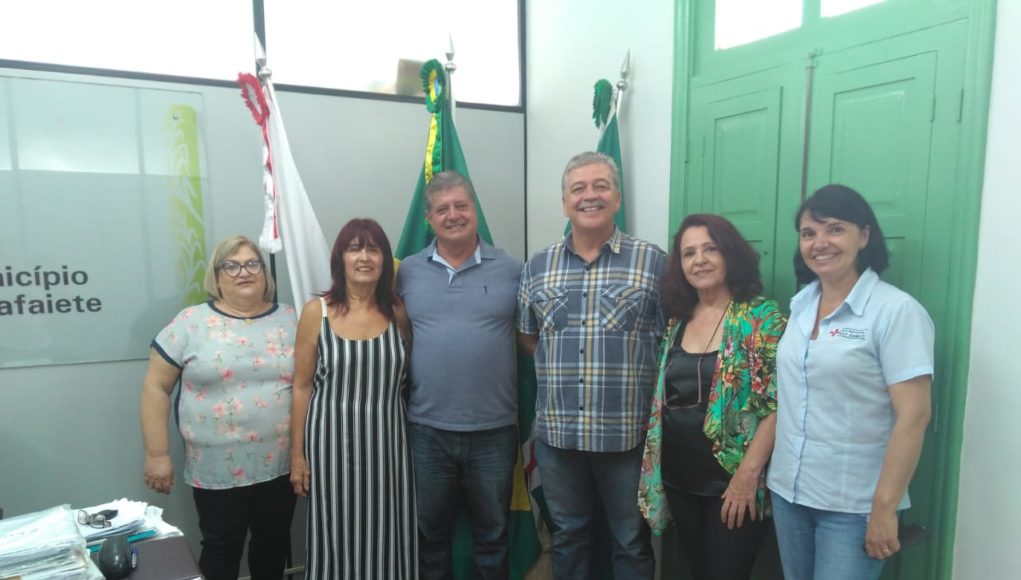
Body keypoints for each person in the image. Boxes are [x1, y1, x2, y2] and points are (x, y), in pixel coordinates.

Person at [767, 184, 934, 580]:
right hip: (789, 494)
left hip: (854, 506)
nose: (819, 243)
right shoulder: (800, 306)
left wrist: (884, 509)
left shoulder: (896, 312)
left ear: (864, 235)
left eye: (835, 229)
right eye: (809, 233)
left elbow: (914, 416)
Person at [518, 151, 665, 579]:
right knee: (567, 536)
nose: (590, 196)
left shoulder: (652, 262)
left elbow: (669, 338)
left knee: (631, 541)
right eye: (578, 188)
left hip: (627, 436)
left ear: (617, 198)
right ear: (565, 203)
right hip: (559, 437)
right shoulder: (538, 266)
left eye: (601, 186)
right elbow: (528, 336)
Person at [637, 214, 786, 579]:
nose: (699, 260)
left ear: (730, 254)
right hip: (679, 480)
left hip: (733, 483)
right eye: (689, 253)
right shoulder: (677, 320)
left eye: (710, 249)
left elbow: (778, 406)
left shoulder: (761, 317)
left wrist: (747, 476)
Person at [140, 235, 297, 580]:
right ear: (216, 275)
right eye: (232, 265)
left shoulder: (292, 319)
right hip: (216, 471)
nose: (244, 272)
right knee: (221, 548)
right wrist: (157, 454)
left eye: (252, 263)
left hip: (281, 465)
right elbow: (156, 387)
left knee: (272, 546)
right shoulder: (191, 322)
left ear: (265, 272)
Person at [396, 171, 521, 579]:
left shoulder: (512, 269)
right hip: (427, 431)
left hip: (494, 431)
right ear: (429, 219)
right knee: (430, 536)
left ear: (475, 210)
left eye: (461, 206)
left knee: (493, 535)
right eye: (442, 209)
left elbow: (532, 337)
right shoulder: (406, 272)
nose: (453, 215)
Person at [290, 218, 417, 579]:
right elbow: (301, 387)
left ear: (384, 260)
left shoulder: (397, 313)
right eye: (355, 248)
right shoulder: (317, 312)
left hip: (389, 446)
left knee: (388, 531)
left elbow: (408, 379)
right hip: (331, 449)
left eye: (373, 249)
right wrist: (297, 456)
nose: (364, 257)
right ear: (340, 259)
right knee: (335, 533)